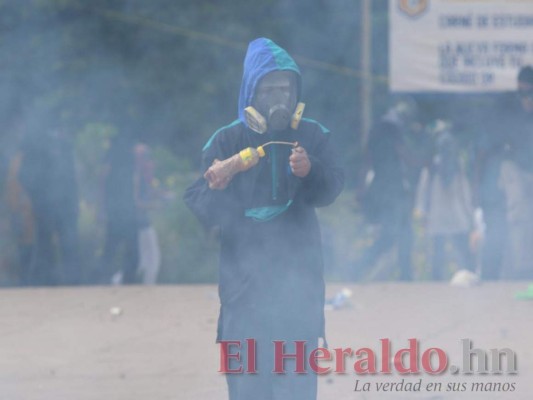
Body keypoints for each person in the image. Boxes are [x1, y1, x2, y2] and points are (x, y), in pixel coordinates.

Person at [184, 37, 344, 400]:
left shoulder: (312, 135)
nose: (279, 99)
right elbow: (199, 205)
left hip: (298, 292)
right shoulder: (226, 141)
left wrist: (310, 171)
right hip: (244, 293)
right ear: (251, 92)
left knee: (296, 388)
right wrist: (219, 185)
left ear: (296, 91)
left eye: (285, 89)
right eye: (269, 89)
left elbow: (332, 188)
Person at [355, 97, 430, 281]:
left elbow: (367, 160)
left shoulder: (375, 128)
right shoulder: (392, 128)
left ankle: (404, 273)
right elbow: (403, 154)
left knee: (403, 231)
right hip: (392, 189)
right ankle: (359, 266)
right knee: (395, 233)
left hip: (381, 188)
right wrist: (422, 162)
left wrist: (361, 187)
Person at [18, 126, 81, 285]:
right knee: (44, 246)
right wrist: (37, 198)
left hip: (65, 206)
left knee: (68, 244)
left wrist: (74, 203)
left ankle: (71, 282)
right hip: (45, 206)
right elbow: (24, 175)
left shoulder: (66, 148)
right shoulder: (37, 148)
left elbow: (72, 179)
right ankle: (40, 281)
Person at [416, 121, 475, 280]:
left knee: (441, 250)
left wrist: (422, 212)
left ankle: (445, 280)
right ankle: (467, 275)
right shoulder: (452, 164)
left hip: (439, 214)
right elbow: (465, 193)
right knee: (457, 249)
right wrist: (469, 213)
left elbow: (423, 191)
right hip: (453, 214)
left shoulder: (439, 165)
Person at [496, 66, 533, 279]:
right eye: (523, 92)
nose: (526, 97)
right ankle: (521, 269)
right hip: (513, 165)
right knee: (518, 215)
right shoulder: (508, 105)